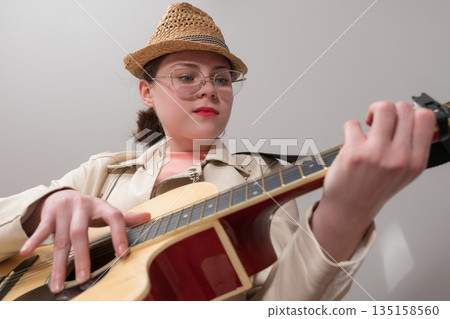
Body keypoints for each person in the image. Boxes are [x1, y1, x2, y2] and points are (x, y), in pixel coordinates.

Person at [0, 2, 435, 300]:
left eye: (222, 79)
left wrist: (343, 218)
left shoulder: (263, 180)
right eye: (187, 76)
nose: (209, 87)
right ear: (146, 92)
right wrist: (44, 207)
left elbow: (280, 305)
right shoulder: (103, 173)